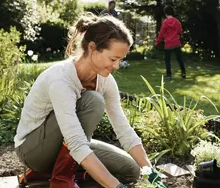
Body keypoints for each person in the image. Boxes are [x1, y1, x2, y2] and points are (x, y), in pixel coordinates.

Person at [14, 12, 165, 188]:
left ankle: (44, 177)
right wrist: (117, 187)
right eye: (113, 59)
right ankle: (61, 179)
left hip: (68, 143)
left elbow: (123, 130)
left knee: (130, 170)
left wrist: (152, 173)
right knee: (93, 100)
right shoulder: (61, 80)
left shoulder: (105, 81)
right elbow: (76, 142)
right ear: (92, 48)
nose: (116, 66)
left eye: (121, 60)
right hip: (33, 151)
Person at [155, 5, 186, 79]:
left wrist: (157, 43)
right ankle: (183, 73)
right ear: (173, 12)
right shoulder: (177, 21)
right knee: (179, 59)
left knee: (167, 60)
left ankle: (169, 75)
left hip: (168, 44)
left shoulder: (165, 22)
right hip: (176, 43)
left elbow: (161, 34)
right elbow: (180, 31)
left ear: (165, 13)